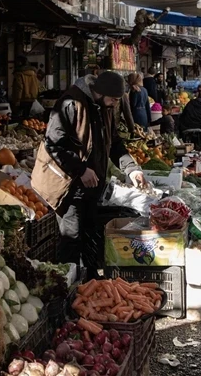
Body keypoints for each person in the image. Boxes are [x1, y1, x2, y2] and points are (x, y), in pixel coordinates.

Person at [31, 72, 146, 273]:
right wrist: (81, 169)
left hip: (93, 188)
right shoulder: (70, 103)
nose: (114, 104)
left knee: (91, 238)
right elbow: (53, 145)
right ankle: (67, 290)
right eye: (113, 99)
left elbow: (115, 142)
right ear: (99, 92)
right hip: (70, 187)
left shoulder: (104, 106)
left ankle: (91, 284)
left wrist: (132, 169)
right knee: (71, 239)